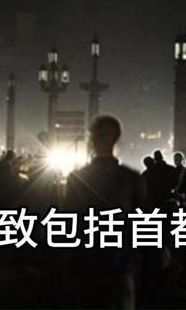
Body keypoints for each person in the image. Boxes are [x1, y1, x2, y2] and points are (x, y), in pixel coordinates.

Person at [63, 115, 147, 309]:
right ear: (117, 138)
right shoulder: (131, 178)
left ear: (91, 138)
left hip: (86, 264)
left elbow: (69, 224)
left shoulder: (77, 178)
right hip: (121, 265)